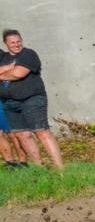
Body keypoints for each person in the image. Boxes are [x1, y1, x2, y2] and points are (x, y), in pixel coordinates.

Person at [0, 30, 64, 170]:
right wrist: (10, 68)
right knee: (22, 135)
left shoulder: (28, 54)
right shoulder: (3, 57)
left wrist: (4, 72)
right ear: (5, 44)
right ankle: (40, 168)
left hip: (31, 99)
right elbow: (14, 70)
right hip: (10, 103)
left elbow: (18, 73)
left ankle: (60, 169)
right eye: (13, 42)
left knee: (42, 132)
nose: (17, 45)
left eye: (19, 41)